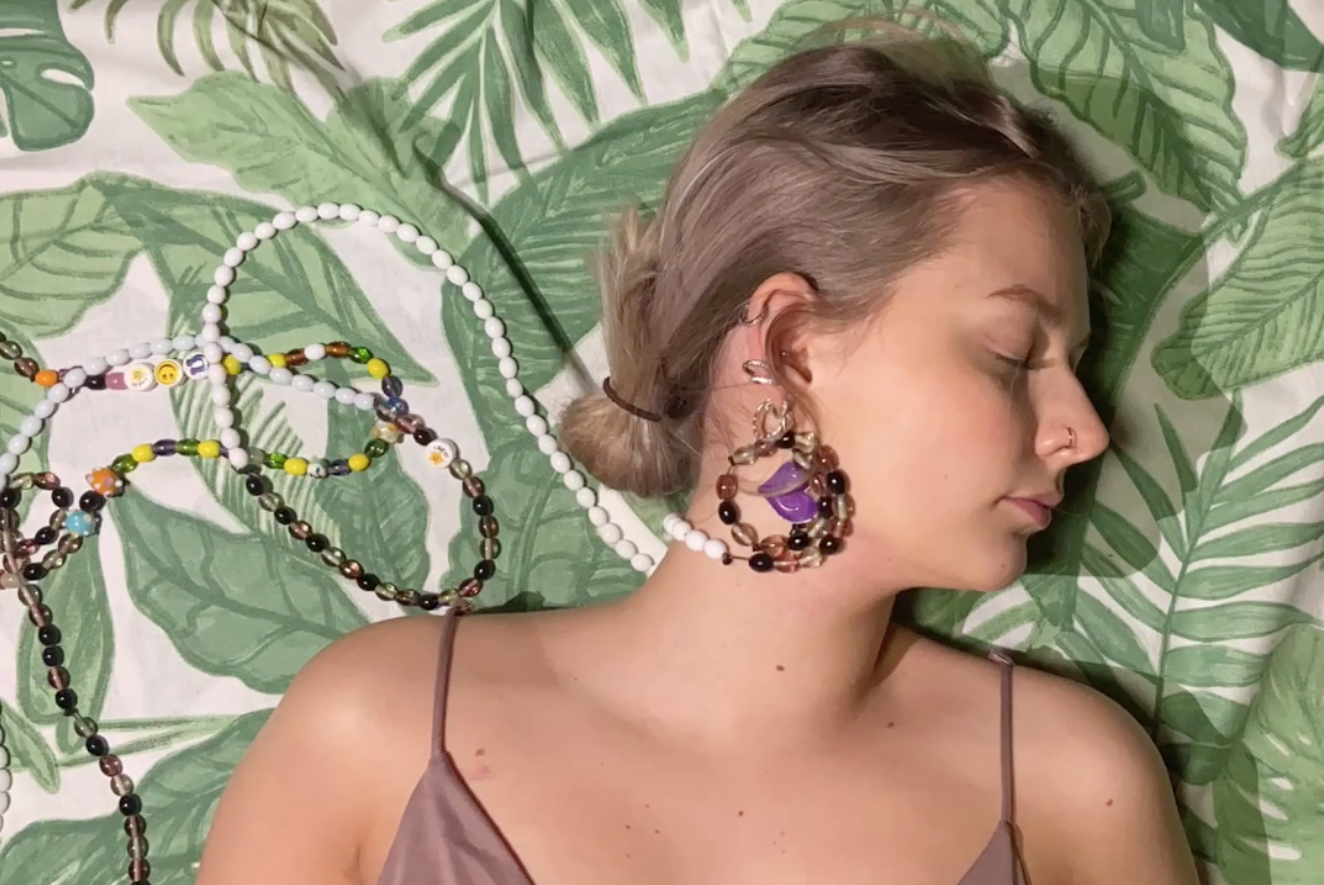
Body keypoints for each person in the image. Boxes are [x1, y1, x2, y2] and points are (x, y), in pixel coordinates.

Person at [198, 35, 1199, 885]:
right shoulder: (375, 727)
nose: (1085, 427)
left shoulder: (1072, 781)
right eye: (1012, 353)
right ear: (790, 344)